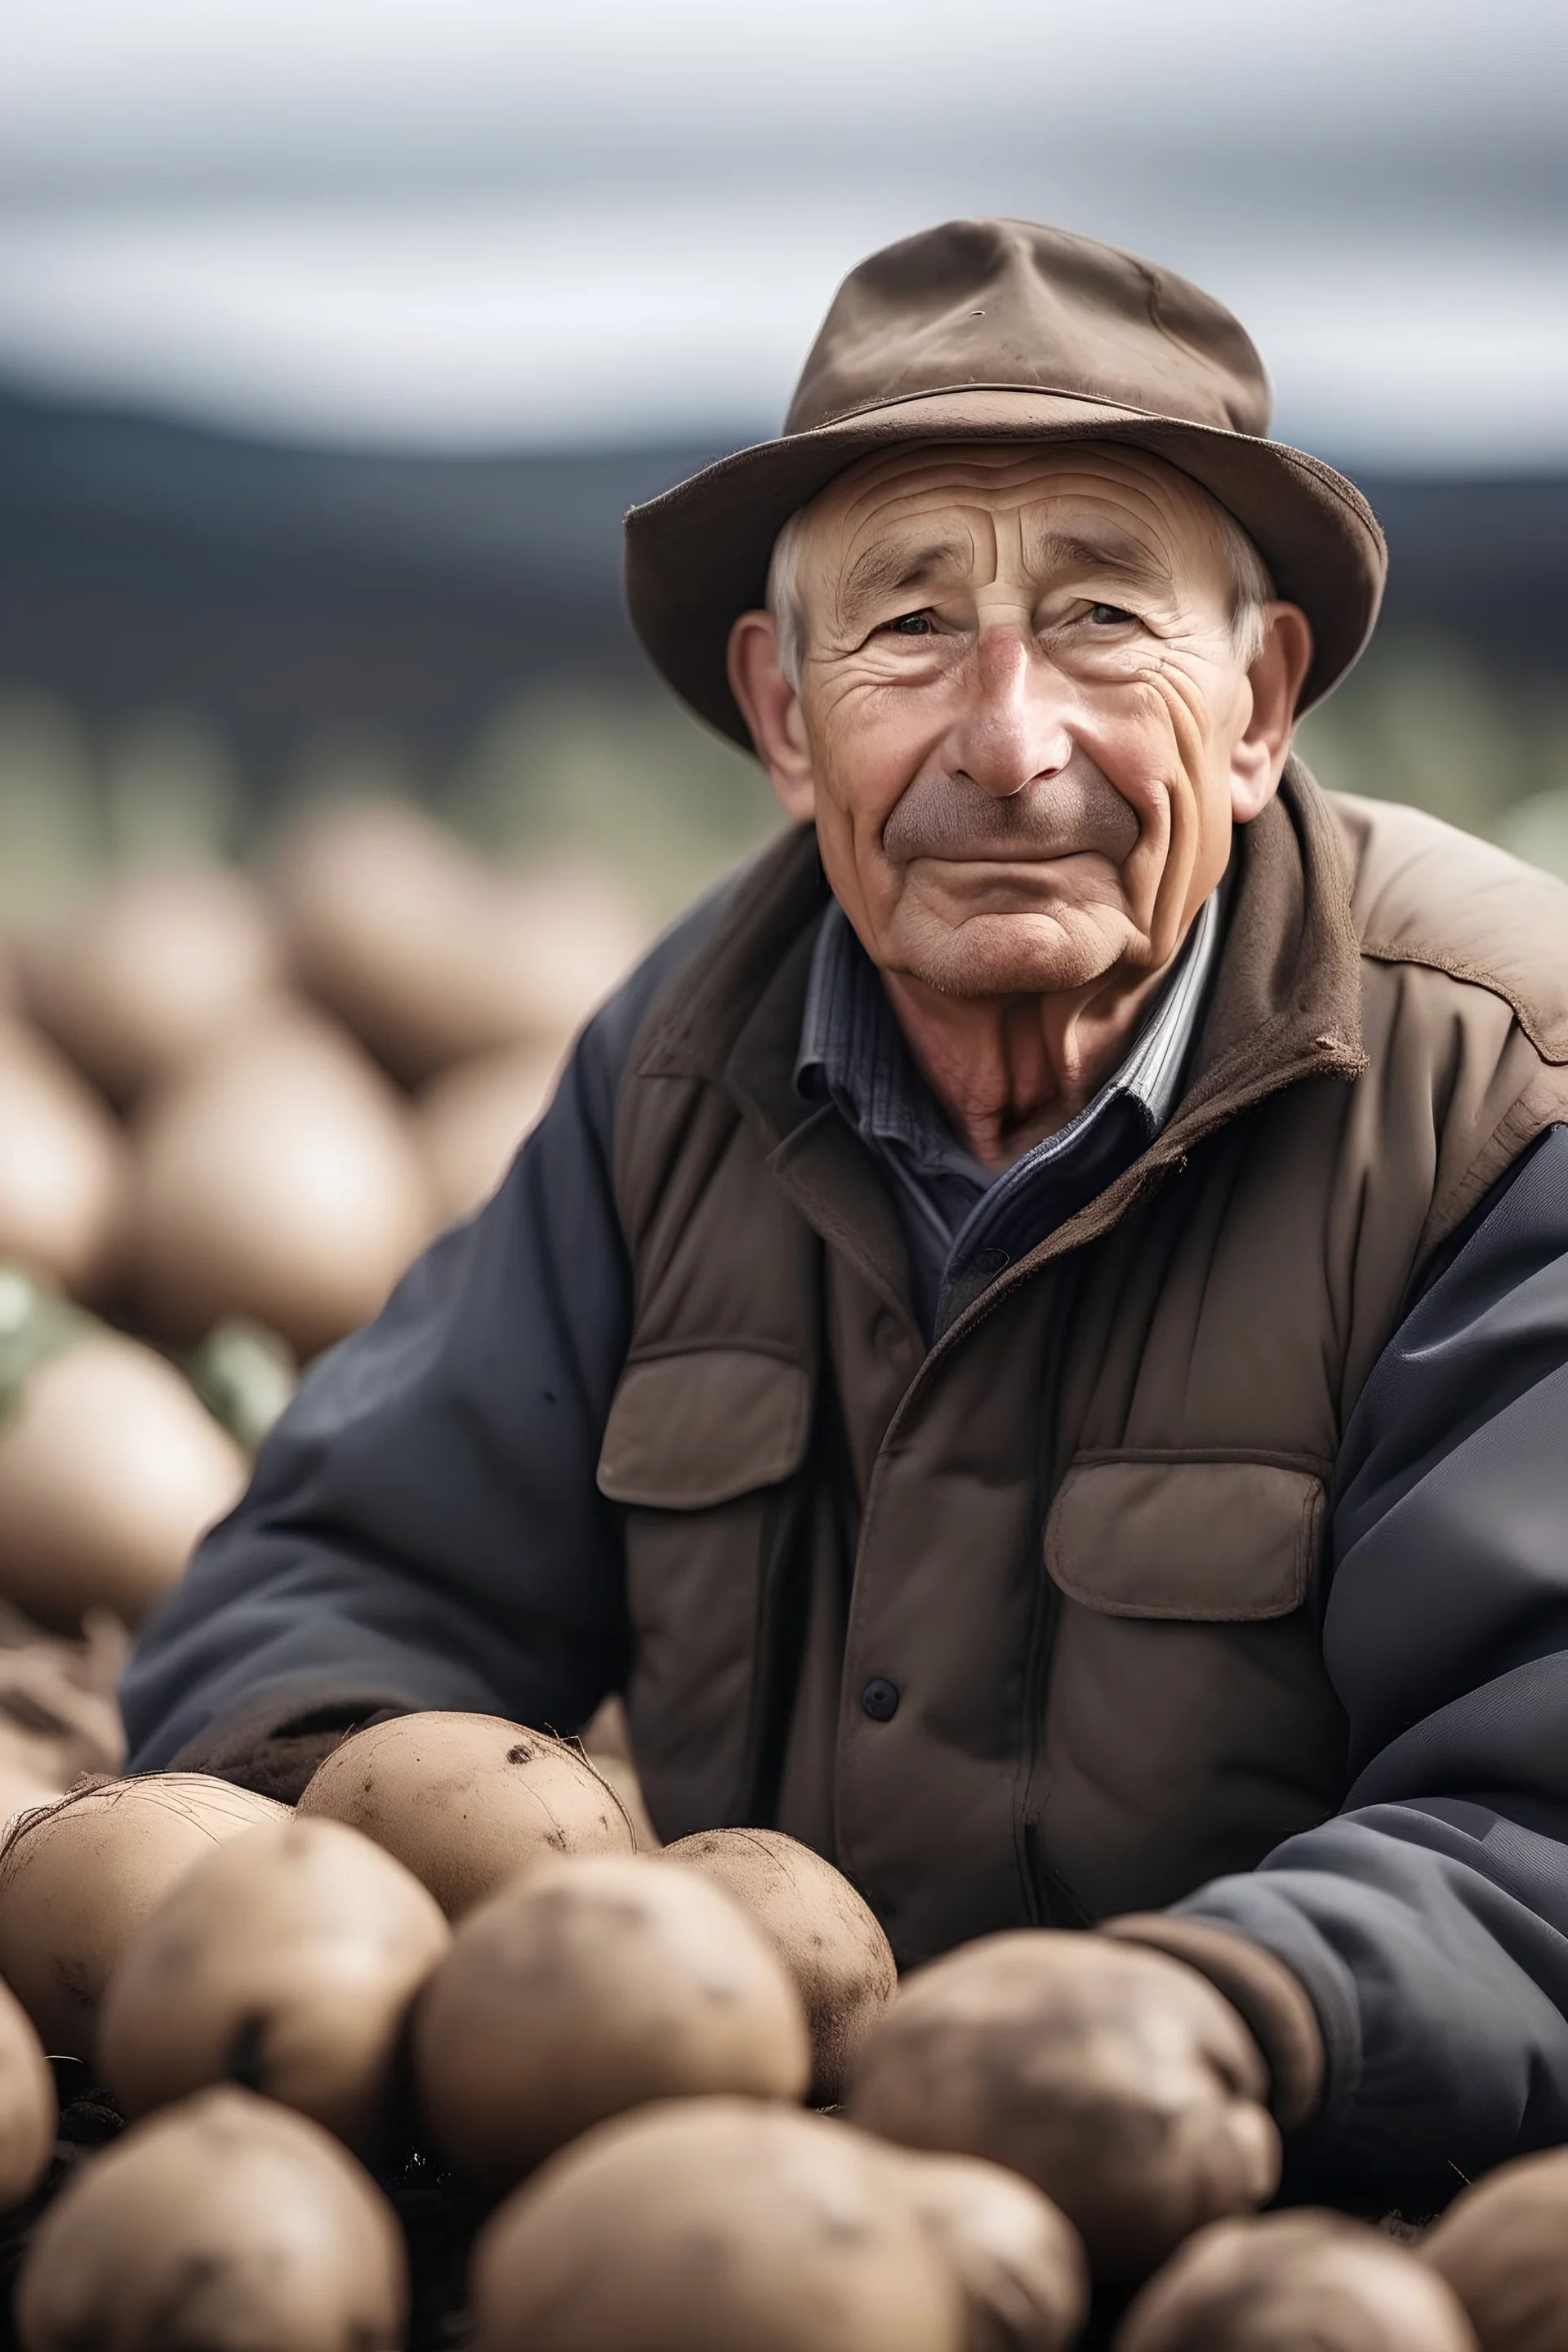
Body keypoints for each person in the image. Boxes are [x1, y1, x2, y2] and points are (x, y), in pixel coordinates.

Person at [123, 218, 1568, 2214]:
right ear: (786, 719)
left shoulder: (1508, 1098)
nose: (1006, 740)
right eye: (905, 628)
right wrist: (449, 1899)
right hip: (742, 2213)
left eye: (1099, 623)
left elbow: (1543, 1822)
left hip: (1266, 2204)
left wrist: (1201, 2028)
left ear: (1258, 703)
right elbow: (332, 1580)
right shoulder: (681, 1069)